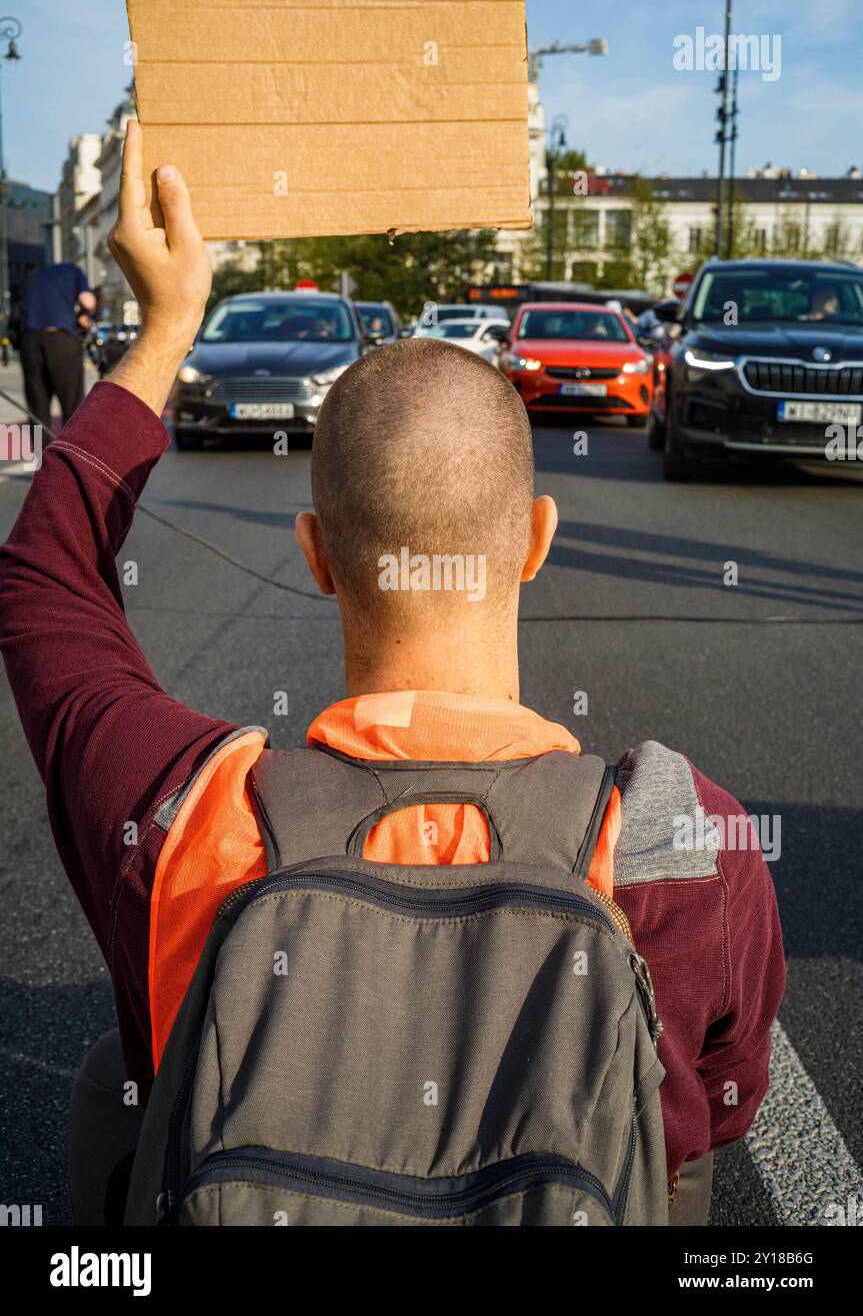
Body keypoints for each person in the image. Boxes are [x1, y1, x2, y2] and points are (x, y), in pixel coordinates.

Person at [0, 122, 785, 1226]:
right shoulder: (677, 834)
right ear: (537, 540)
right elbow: (724, 1096)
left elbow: (43, 583)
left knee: (111, 1083)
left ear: (316, 553)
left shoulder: (187, 816)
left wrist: (170, 319)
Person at [19, 261, 96, 429]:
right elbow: (88, 302)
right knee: (72, 404)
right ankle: (70, 452)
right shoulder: (74, 271)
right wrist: (85, 315)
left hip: (30, 340)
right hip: (61, 339)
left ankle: (40, 453)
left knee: (37, 405)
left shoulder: (34, 274)